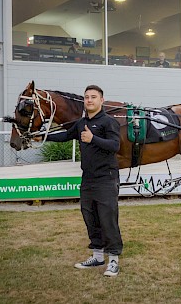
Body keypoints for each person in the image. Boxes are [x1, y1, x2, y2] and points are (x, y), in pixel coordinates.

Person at [41, 85, 123, 277]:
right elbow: (65, 136)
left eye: (93, 97)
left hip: (106, 179)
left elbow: (115, 145)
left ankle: (113, 261)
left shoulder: (109, 122)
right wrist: (44, 137)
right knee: (90, 218)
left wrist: (93, 138)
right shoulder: (80, 123)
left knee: (108, 219)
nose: (89, 100)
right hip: (88, 179)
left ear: (101, 100)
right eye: (86, 97)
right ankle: (97, 256)